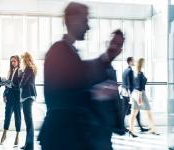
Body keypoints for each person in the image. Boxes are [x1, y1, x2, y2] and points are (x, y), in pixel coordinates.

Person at [38, 2, 124, 150]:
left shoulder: (68, 51)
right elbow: (58, 98)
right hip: (61, 137)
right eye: (85, 20)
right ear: (72, 20)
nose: (88, 26)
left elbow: (83, 73)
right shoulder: (60, 50)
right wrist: (96, 94)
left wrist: (107, 57)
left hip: (65, 136)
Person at [129, 58, 159, 136]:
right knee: (148, 111)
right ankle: (153, 129)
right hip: (140, 94)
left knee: (134, 113)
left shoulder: (136, 72)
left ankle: (131, 130)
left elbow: (136, 85)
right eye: (144, 63)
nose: (145, 64)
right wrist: (140, 97)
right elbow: (139, 86)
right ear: (141, 63)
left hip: (136, 94)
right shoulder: (139, 73)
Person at [121, 57, 148, 137]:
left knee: (130, 111)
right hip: (129, 94)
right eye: (133, 61)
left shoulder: (125, 70)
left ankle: (139, 127)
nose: (134, 62)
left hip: (125, 93)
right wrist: (131, 96)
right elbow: (130, 84)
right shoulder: (130, 71)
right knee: (127, 111)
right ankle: (127, 128)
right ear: (129, 62)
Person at [0, 55, 22, 146]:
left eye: (14, 61)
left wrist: (12, 85)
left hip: (17, 97)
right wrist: (4, 94)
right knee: (7, 115)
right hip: (9, 96)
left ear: (18, 61)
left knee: (18, 116)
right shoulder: (10, 71)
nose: (13, 63)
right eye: (11, 61)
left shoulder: (20, 71)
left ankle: (17, 135)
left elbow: (20, 85)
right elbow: (6, 85)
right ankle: (4, 134)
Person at [20, 52, 37, 150]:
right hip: (29, 96)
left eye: (22, 59)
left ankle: (29, 145)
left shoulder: (28, 68)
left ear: (25, 59)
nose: (21, 61)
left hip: (27, 96)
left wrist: (20, 74)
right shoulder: (31, 68)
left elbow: (22, 83)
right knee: (28, 121)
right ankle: (28, 144)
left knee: (29, 121)